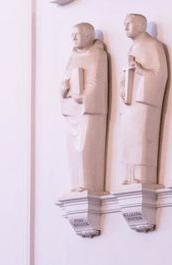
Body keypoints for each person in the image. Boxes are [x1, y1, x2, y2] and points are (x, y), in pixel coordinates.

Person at [119, 14, 169, 187]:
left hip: (144, 100)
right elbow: (125, 75)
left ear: (141, 25)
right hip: (130, 100)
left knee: (141, 135)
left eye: (129, 24)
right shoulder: (131, 48)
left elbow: (160, 74)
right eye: (124, 24)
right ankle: (130, 174)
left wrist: (140, 70)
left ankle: (142, 175)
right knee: (129, 137)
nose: (125, 27)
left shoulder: (153, 45)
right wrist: (122, 87)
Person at [61, 22, 110, 194]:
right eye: (72, 34)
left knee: (86, 146)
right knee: (73, 150)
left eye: (78, 34)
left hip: (88, 109)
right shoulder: (73, 57)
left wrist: (84, 96)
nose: (73, 38)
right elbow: (65, 81)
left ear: (89, 36)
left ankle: (88, 184)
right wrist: (64, 88)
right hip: (71, 109)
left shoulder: (97, 55)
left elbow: (95, 81)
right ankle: (76, 185)